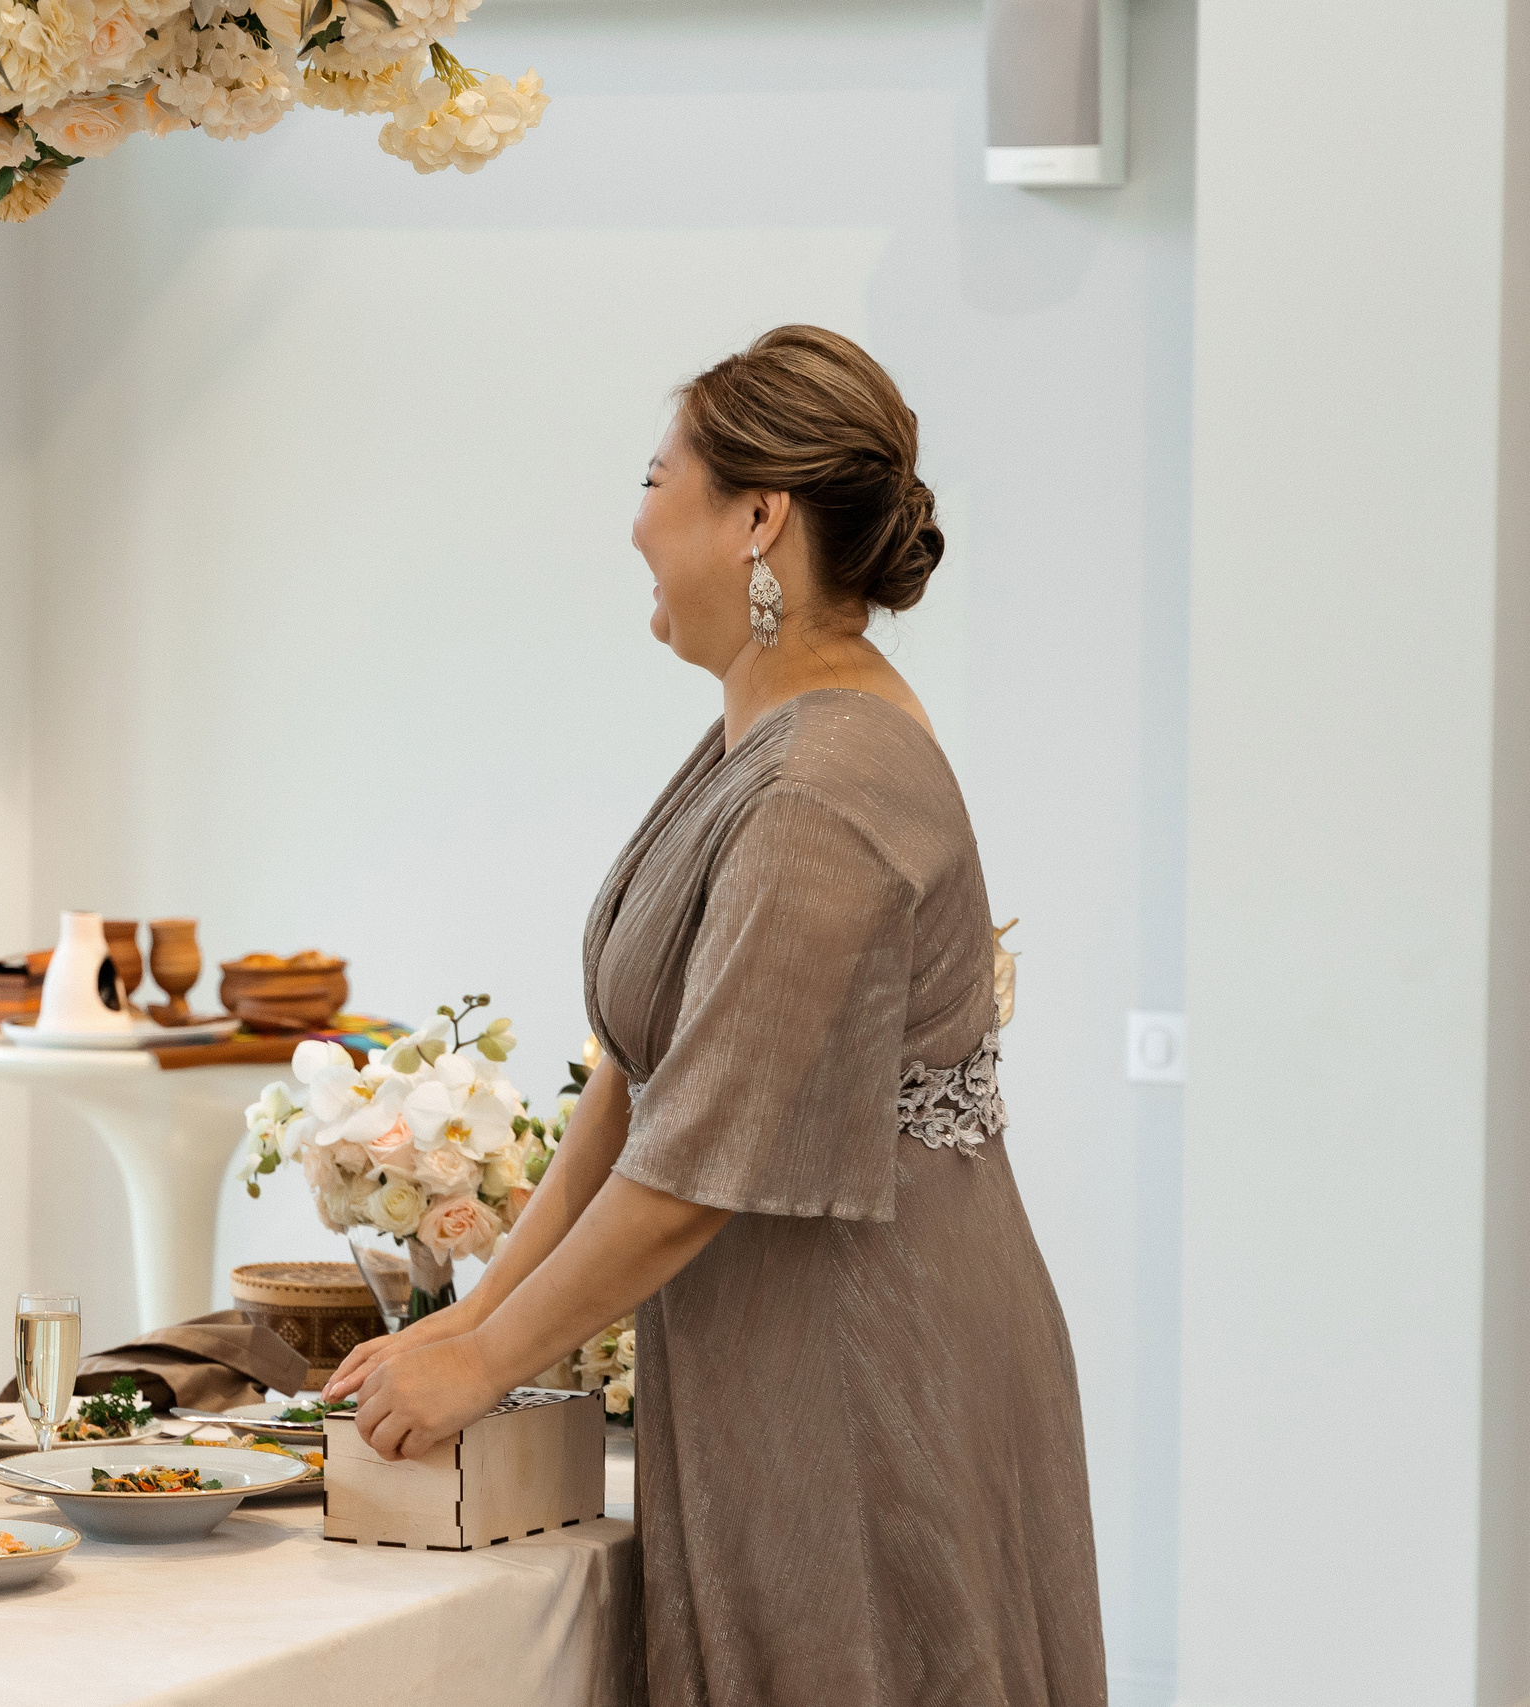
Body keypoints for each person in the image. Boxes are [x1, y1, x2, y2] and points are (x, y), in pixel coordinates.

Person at [328, 326, 1108, 1703]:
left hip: (868, 1362)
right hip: (786, 1341)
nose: (634, 520)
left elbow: (693, 1171)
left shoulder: (822, 788)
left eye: (654, 474)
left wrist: (488, 1363)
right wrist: (474, 1322)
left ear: (760, 516)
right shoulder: (767, 722)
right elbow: (640, 1078)